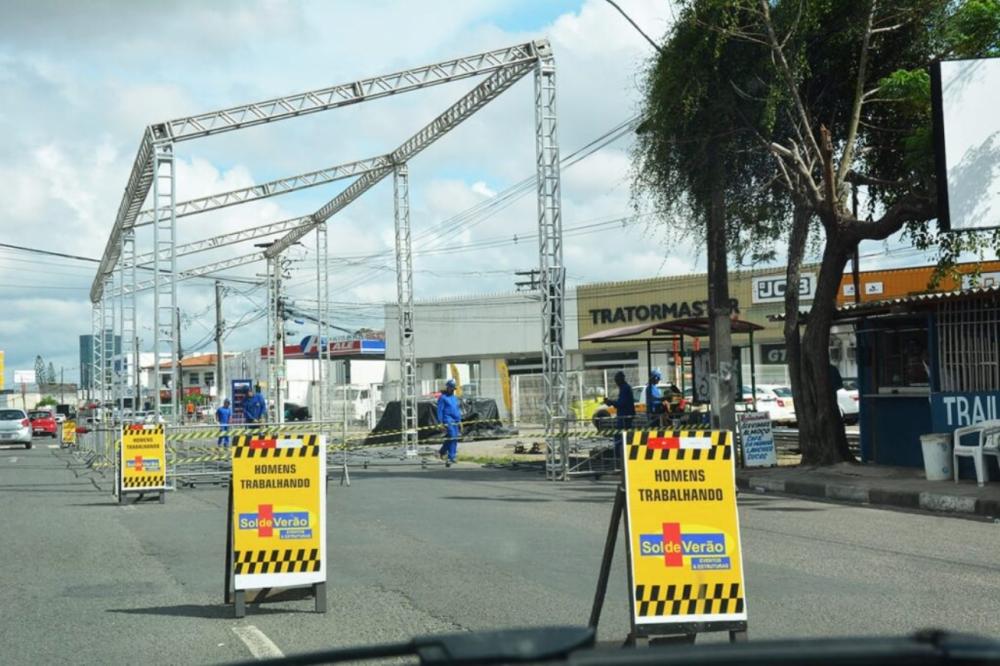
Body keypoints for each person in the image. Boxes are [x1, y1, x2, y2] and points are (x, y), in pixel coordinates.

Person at [437, 378, 462, 467]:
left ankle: (442, 451)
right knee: (452, 436)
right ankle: (451, 457)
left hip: (455, 420)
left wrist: (459, 421)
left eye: (453, 388)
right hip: (447, 419)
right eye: (451, 388)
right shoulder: (443, 398)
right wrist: (440, 422)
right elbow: (439, 410)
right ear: (447, 387)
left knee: (453, 438)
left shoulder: (454, 398)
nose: (452, 390)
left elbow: (457, 410)